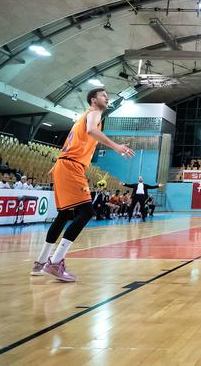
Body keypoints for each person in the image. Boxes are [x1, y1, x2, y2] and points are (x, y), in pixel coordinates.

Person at [31, 88, 134, 282]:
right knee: (86, 212)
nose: (107, 97)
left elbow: (72, 143)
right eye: (104, 95)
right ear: (94, 100)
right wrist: (116, 146)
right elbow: (91, 131)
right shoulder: (94, 114)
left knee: (65, 214)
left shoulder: (84, 117)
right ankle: (55, 262)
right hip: (71, 166)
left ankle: (41, 261)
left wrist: (58, 164)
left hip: (65, 164)